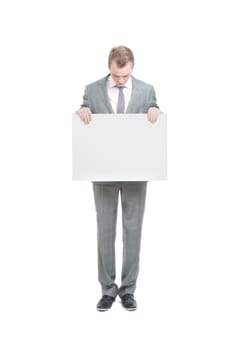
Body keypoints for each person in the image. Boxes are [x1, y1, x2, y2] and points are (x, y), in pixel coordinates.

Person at [77, 46, 160, 311]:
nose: (120, 81)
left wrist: (155, 111)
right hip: (103, 171)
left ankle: (128, 290)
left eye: (125, 76)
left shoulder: (147, 90)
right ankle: (107, 290)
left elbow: (154, 110)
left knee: (133, 231)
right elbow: (84, 112)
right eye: (116, 75)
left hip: (136, 172)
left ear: (132, 67)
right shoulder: (92, 90)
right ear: (109, 67)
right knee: (105, 230)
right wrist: (82, 112)